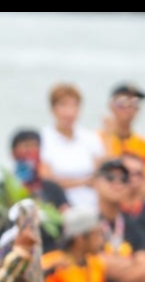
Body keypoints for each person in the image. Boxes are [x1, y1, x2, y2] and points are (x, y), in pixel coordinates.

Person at [95, 159, 145, 282]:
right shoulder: (89, 224)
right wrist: (130, 264)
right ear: (96, 182)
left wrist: (105, 264)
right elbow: (83, 263)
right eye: (110, 177)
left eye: (123, 179)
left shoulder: (134, 225)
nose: (116, 183)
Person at [39, 83, 104, 211]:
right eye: (63, 105)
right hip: (60, 207)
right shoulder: (43, 139)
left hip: (92, 205)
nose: (69, 112)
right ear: (53, 109)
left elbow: (101, 174)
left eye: (74, 106)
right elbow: (46, 180)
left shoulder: (90, 138)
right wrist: (84, 182)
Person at [100, 82, 145, 183]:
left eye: (134, 103)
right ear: (111, 106)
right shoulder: (96, 140)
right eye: (122, 102)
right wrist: (108, 137)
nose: (128, 108)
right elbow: (99, 175)